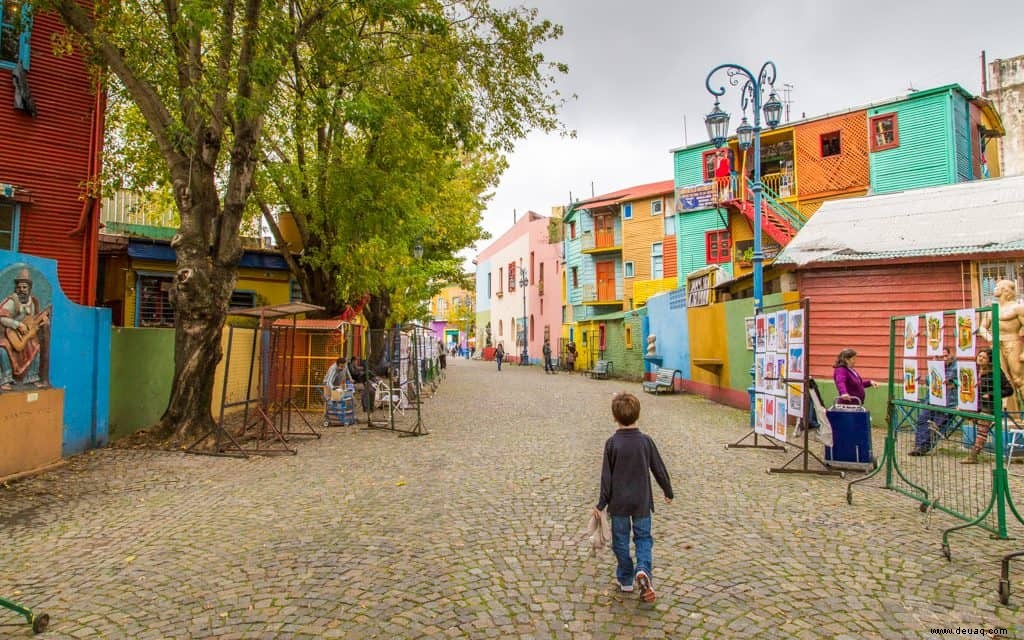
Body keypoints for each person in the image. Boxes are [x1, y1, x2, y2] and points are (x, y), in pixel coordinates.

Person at [593, 392, 673, 603]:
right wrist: (667, 490)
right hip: (641, 502)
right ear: (638, 415)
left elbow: (606, 477)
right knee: (644, 538)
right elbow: (659, 468)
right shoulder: (645, 442)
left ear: (614, 417)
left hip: (618, 504)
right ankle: (643, 569)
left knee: (620, 540)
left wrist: (601, 503)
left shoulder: (612, 444)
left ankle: (626, 577)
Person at [0, 268, 51, 390]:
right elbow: (2, 318)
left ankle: (31, 377)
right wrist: (17, 325)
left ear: (29, 289)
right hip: (10, 334)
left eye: (24, 287)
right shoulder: (13, 301)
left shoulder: (32, 302)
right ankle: (5, 380)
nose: (21, 290)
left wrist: (43, 320)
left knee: (35, 347)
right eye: (19, 287)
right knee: (2, 349)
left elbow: (32, 320)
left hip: (25, 337)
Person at [963, 348, 1016, 464]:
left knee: (982, 427)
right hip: (973, 403)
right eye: (979, 356)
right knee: (959, 411)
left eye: (984, 357)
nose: (980, 359)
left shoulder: (996, 372)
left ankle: (973, 456)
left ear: (989, 360)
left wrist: (991, 395)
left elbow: (1009, 390)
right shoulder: (972, 370)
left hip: (989, 405)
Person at [977, 279, 1024, 397]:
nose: (994, 288)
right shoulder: (992, 308)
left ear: (1005, 290)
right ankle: (1009, 411)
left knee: (1018, 379)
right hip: (996, 344)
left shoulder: (1017, 307)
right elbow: (982, 328)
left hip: (1013, 342)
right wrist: (989, 338)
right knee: (1003, 379)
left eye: (997, 286)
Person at [909, 347, 958, 456]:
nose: (944, 359)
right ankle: (919, 445)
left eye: (946, 356)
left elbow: (957, 382)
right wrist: (934, 367)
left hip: (948, 403)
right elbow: (928, 381)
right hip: (932, 399)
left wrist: (952, 382)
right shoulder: (936, 366)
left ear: (951, 355)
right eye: (941, 357)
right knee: (922, 419)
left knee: (937, 423)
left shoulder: (956, 367)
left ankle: (924, 447)